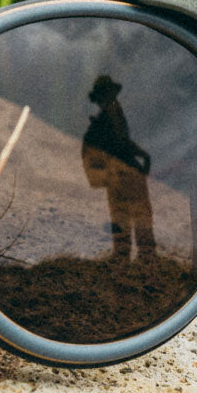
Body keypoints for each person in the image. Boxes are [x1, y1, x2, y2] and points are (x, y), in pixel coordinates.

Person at [81, 74, 157, 260]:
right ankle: (141, 255)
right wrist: (142, 155)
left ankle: (131, 255)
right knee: (132, 214)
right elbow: (121, 141)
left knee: (125, 214)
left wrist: (141, 155)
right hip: (124, 171)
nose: (104, 99)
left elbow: (121, 141)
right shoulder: (111, 114)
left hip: (120, 172)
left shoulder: (108, 115)